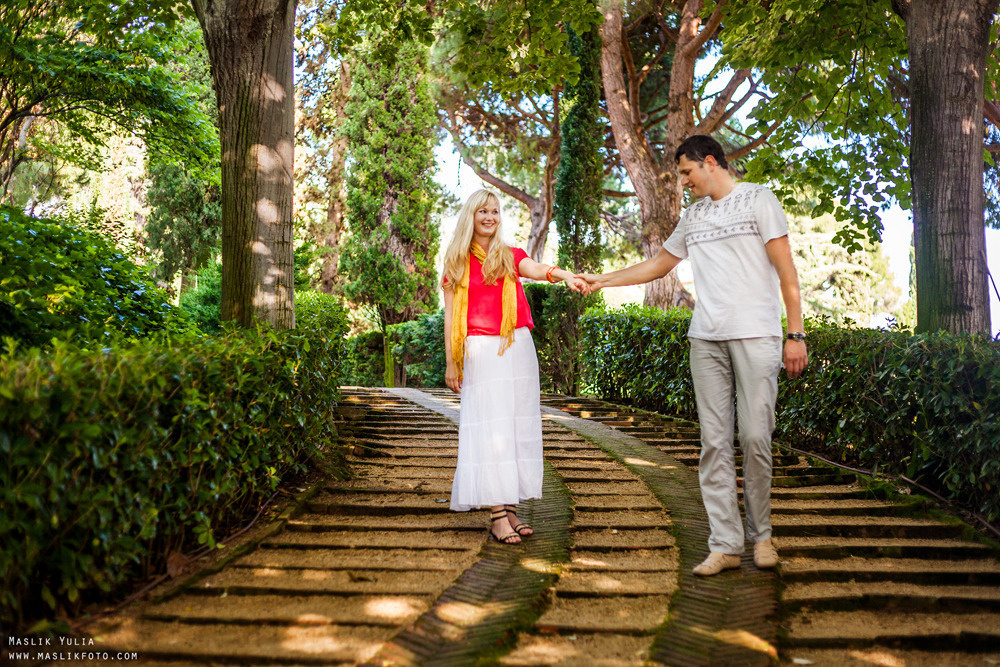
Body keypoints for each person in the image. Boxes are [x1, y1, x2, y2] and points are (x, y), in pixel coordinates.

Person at [577, 135, 808, 576]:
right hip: (706, 339)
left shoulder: (759, 199)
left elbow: (786, 271)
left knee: (756, 437)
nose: (683, 182)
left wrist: (794, 334)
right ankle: (724, 544)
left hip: (757, 335)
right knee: (714, 443)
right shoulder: (694, 216)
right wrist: (602, 280)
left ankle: (762, 537)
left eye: (686, 172)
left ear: (709, 162)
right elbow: (658, 265)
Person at [443, 188, 586, 544]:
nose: (490, 217)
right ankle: (496, 516)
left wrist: (565, 275)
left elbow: (535, 268)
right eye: (483, 211)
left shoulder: (509, 255)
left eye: (495, 211)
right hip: (480, 349)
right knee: (491, 428)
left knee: (515, 426)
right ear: (471, 216)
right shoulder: (456, 260)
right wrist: (452, 363)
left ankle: (510, 509)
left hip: (517, 345)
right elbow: (450, 317)